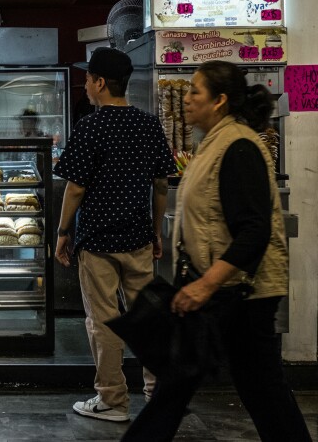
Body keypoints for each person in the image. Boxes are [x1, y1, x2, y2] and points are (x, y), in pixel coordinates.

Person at [122, 61, 310, 441]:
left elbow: (254, 229)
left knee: (237, 388)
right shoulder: (214, 142)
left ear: (220, 100)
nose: (187, 99)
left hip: (239, 294)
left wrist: (205, 285)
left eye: (195, 91)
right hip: (222, 291)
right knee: (246, 388)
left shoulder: (238, 146)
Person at [53, 47, 176, 422]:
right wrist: (156, 232)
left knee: (104, 321)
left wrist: (62, 233)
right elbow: (160, 184)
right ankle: (158, 395)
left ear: (101, 83)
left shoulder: (90, 126)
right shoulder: (149, 124)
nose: (86, 86)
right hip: (138, 240)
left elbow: (75, 187)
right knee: (147, 320)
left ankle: (112, 400)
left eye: (89, 79)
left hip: (98, 243)